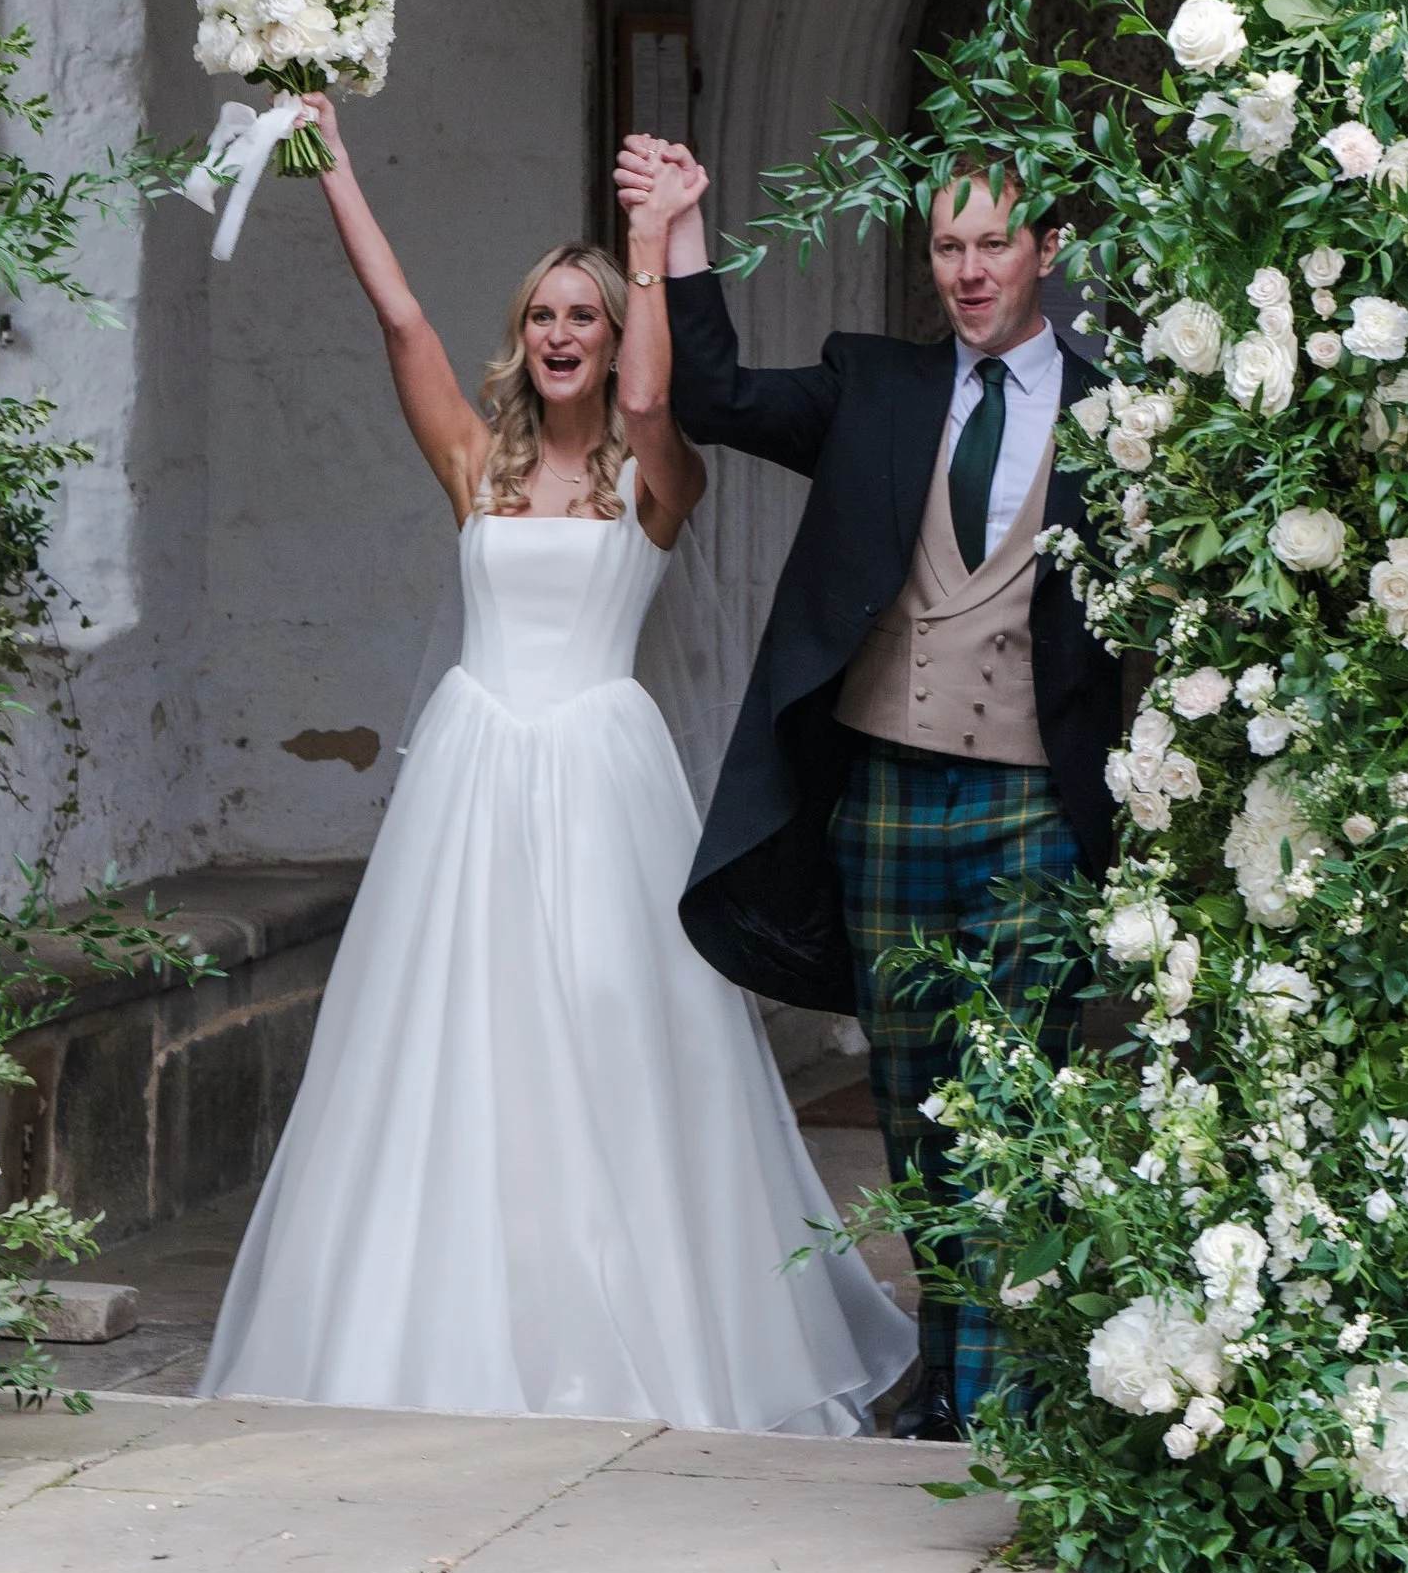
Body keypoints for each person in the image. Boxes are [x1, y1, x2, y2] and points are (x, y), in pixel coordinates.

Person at [200, 97, 911, 1434]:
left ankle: (644, 1316)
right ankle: (444, 1330)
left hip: (598, 778)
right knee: (451, 1046)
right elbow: (402, 322)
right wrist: (336, 165)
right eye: (546, 318)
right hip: (471, 777)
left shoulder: (653, 480)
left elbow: (655, 394)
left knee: (611, 1030)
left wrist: (649, 242)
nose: (566, 336)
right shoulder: (474, 467)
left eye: (583, 316)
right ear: (521, 344)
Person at [614, 137, 1120, 1440]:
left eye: (991, 245)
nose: (967, 272)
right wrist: (678, 230)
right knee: (913, 1098)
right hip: (884, 793)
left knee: (1019, 1095)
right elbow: (713, 398)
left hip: (1032, 803)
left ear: (1044, 252)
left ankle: (1012, 1384)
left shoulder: (1124, 414)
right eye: (947, 248)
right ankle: (946, 1373)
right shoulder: (875, 385)